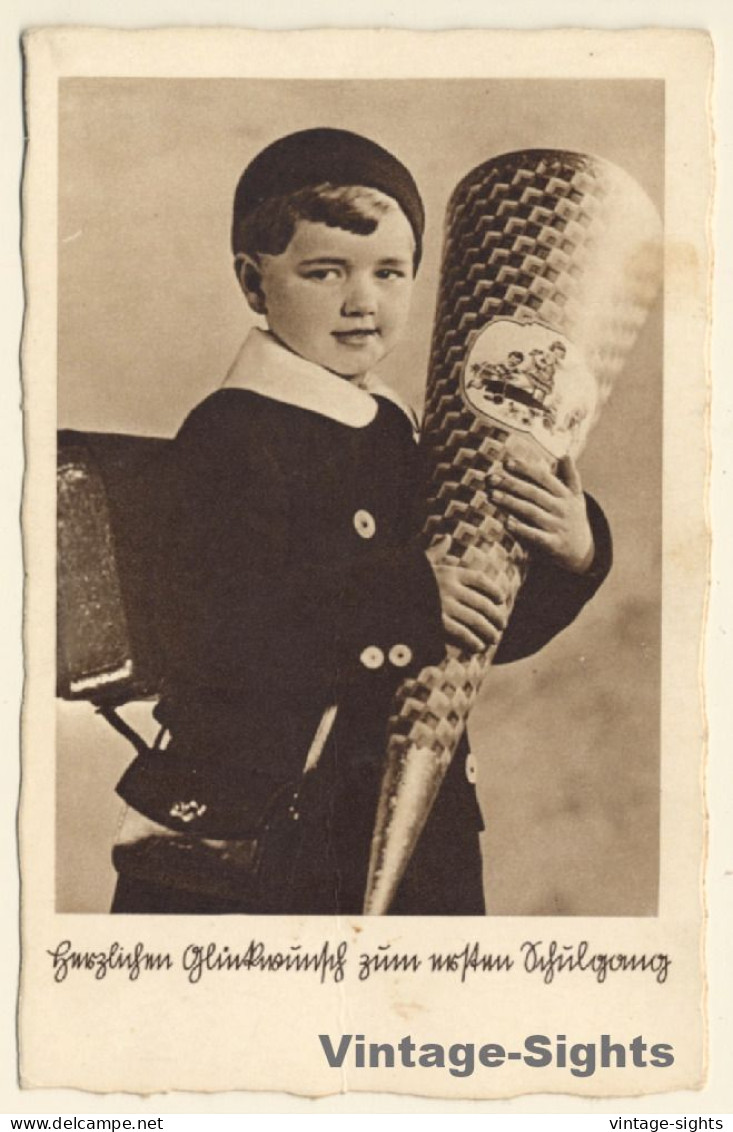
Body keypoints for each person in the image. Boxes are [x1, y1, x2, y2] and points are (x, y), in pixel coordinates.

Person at [110, 128, 611, 916]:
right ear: (252, 282)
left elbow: (480, 634)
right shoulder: (231, 433)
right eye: (323, 272)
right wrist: (408, 597)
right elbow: (211, 630)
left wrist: (569, 551)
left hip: (416, 824)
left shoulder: (398, 431)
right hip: (264, 831)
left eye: (390, 272)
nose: (362, 301)